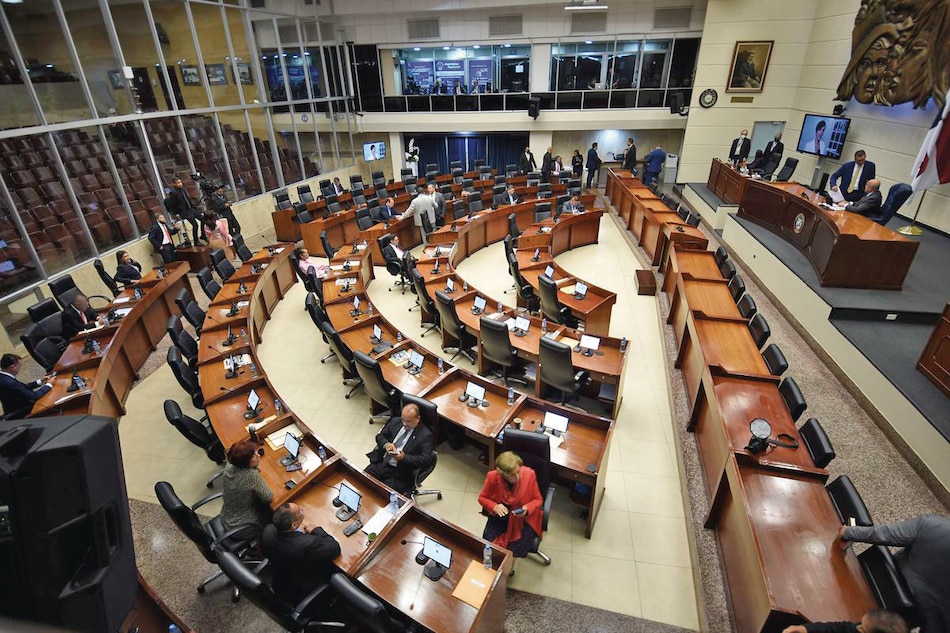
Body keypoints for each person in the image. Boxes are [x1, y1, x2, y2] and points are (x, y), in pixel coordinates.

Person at [838, 514, 950, 632]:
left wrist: (849, 532)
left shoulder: (934, 524)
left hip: (876, 582)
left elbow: (885, 534)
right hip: (904, 620)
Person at [261, 502, 340, 606]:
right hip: (303, 589)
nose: (302, 509)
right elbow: (334, 548)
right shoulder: (306, 544)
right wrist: (316, 530)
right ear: (294, 525)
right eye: (300, 511)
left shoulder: (268, 530)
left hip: (281, 583)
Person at [478, 451, 543, 560]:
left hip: (522, 521)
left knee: (514, 549)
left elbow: (538, 500)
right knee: (489, 545)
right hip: (500, 519)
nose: (517, 476)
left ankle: (508, 568)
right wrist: (494, 506)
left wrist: (527, 509)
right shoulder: (492, 477)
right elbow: (482, 498)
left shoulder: (529, 474)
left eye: (518, 471)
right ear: (503, 474)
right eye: (512, 475)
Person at [365, 403, 434, 495]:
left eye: (408, 421)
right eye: (403, 419)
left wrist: (404, 457)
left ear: (417, 418)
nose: (404, 423)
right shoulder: (395, 421)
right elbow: (380, 436)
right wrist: (386, 444)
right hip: (381, 463)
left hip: (399, 474)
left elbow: (426, 460)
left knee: (380, 495)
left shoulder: (425, 435)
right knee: (361, 480)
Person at [220, 439, 274, 539]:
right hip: (243, 527)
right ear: (245, 462)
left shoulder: (230, 465)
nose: (258, 455)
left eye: (255, 452)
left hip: (227, 517)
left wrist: (254, 466)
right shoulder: (250, 476)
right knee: (275, 514)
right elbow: (268, 498)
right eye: (253, 456)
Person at [0, 353, 53, 420]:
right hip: (22, 411)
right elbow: (34, 396)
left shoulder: (2, 376)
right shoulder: (10, 382)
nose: (20, 368)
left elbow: (22, 387)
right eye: (19, 366)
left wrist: (40, 381)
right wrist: (49, 385)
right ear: (12, 367)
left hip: (12, 408)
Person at [781, 609, 907, 633]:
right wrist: (805, 629)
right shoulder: (857, 628)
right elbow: (837, 628)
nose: (857, 628)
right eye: (860, 623)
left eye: (863, 629)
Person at [164, 177, 201, 244]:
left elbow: (187, 199)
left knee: (202, 218)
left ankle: (203, 235)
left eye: (180, 182)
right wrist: (176, 213)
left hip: (190, 209)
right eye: (178, 183)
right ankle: (196, 241)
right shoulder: (173, 193)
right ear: (174, 184)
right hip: (184, 211)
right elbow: (172, 204)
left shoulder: (183, 189)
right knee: (195, 225)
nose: (180, 184)